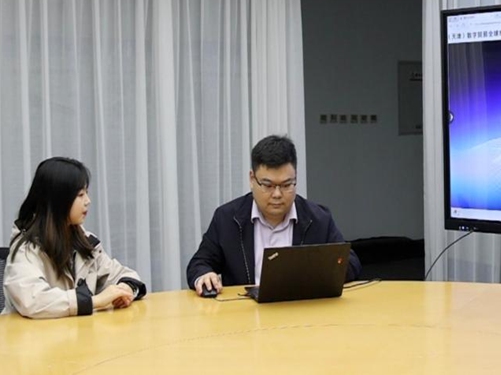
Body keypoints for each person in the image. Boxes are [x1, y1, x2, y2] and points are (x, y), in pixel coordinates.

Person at [186, 135, 361, 296]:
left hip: (302, 314)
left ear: (296, 178)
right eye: (268, 185)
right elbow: (199, 263)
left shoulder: (317, 218)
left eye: (286, 185)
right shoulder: (227, 218)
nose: (277, 194)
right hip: (244, 317)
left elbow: (351, 263)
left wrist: (315, 270)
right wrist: (205, 274)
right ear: (252, 179)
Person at [1, 157, 146, 319]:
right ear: (58, 200)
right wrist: (94, 301)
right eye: (80, 195)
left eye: (87, 193)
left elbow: (120, 273)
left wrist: (125, 288)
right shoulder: (26, 249)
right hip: (32, 340)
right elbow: (33, 301)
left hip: (76, 336)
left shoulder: (85, 242)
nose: (88, 201)